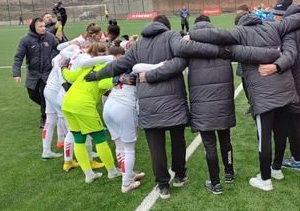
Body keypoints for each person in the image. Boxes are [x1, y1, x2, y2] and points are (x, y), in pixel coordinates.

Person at [85, 15, 229, 199]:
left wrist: (97, 75)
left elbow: (118, 65)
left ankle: (163, 185)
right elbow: (181, 59)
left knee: (156, 146)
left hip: (148, 104)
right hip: (173, 102)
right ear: (166, 27)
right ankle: (179, 175)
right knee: (177, 140)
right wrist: (217, 50)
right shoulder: (171, 36)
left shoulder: (138, 44)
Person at [189, 5, 300, 191]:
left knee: (264, 137)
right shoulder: (273, 26)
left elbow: (217, 36)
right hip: (284, 90)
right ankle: (276, 168)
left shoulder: (240, 32)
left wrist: (192, 36)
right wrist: (274, 53)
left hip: (264, 95)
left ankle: (265, 178)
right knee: (280, 132)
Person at [186, 15, 281, 194]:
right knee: (225, 139)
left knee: (209, 144)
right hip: (223, 101)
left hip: (202, 104)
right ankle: (229, 172)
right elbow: (248, 52)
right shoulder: (223, 44)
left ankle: (215, 183)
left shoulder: (189, 47)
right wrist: (276, 54)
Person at [262, 0, 300, 171]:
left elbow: (290, 56)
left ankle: (297, 159)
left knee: (293, 123)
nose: (275, 17)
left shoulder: (290, 30)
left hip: (297, 82)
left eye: (279, 14)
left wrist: (275, 64)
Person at [61, 42, 121, 184]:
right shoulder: (107, 68)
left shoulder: (88, 66)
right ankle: (112, 171)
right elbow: (102, 84)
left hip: (67, 103)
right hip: (84, 105)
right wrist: (117, 80)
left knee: (78, 138)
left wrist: (63, 67)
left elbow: (70, 77)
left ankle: (89, 174)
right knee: (99, 138)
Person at [102, 45, 149, 193]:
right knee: (128, 148)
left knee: (119, 145)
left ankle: (128, 174)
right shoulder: (136, 66)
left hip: (109, 105)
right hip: (123, 107)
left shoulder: (118, 66)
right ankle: (126, 183)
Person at [12, 17, 60, 128]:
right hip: (33, 73)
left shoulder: (50, 37)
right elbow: (18, 57)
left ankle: (44, 118)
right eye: (40, 26)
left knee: (44, 94)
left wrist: (53, 59)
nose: (44, 28)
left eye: (44, 26)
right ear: (34, 27)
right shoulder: (25, 40)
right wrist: (16, 73)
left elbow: (58, 49)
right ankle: (50, 107)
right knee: (32, 95)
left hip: (47, 73)